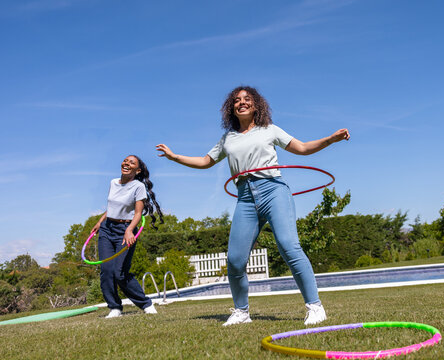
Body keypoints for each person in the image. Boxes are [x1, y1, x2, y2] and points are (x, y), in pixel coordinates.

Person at [156, 86, 350, 326]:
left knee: (289, 247)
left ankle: (315, 307)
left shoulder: (269, 130)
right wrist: (175, 157)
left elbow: (302, 148)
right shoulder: (228, 138)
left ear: (256, 105)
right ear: (232, 108)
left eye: (247, 99)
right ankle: (241, 312)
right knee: (235, 260)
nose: (242, 103)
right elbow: (206, 161)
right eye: (237, 100)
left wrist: (331, 139)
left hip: (272, 190)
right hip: (245, 198)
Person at [91, 155, 164, 318]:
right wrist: (99, 221)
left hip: (126, 229)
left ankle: (146, 304)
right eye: (125, 160)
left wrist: (130, 230)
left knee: (120, 272)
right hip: (107, 228)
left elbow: (138, 213)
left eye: (132, 162)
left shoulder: (138, 187)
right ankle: (115, 307)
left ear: (137, 170)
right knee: (106, 270)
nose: (126, 163)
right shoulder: (113, 183)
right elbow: (111, 207)